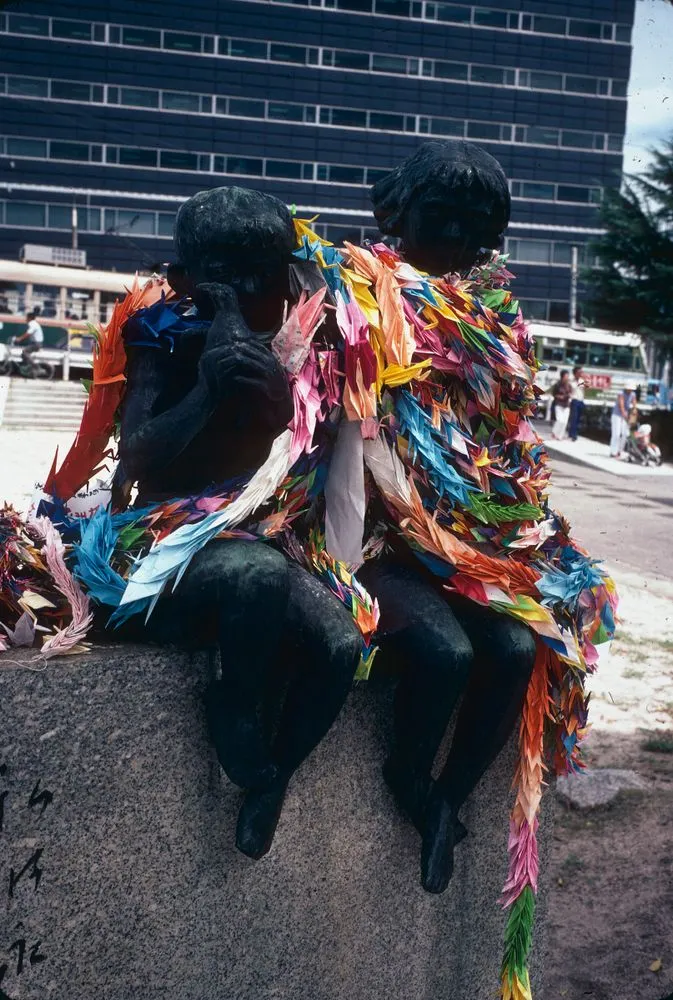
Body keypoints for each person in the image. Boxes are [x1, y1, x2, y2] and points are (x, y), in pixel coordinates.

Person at [610, 383, 636, 457]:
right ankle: (613, 451)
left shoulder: (633, 394)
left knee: (625, 434)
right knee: (616, 434)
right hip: (617, 415)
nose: (630, 390)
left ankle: (619, 451)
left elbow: (634, 405)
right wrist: (625, 416)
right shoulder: (621, 393)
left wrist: (633, 416)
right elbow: (621, 406)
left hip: (626, 415)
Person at [15, 309, 44, 374]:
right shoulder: (34, 323)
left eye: (27, 317)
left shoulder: (32, 324)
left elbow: (28, 333)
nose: (26, 319)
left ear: (30, 318)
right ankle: (28, 366)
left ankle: (35, 367)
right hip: (35, 343)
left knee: (25, 352)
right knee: (23, 354)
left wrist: (20, 339)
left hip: (36, 344)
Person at [551, 369, 572, 438]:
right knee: (560, 420)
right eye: (566, 376)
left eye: (568, 376)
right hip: (559, 404)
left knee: (564, 422)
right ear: (562, 377)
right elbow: (554, 394)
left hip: (567, 405)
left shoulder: (569, 385)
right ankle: (554, 432)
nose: (567, 378)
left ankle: (560, 436)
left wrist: (569, 395)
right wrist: (560, 396)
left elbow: (571, 393)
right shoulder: (557, 385)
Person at [568, 365, 585, 441]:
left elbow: (587, 387)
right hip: (574, 400)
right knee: (574, 418)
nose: (581, 373)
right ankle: (573, 435)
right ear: (575, 373)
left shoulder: (582, 381)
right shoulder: (570, 381)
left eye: (581, 372)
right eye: (579, 372)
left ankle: (572, 433)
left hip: (581, 401)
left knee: (578, 418)